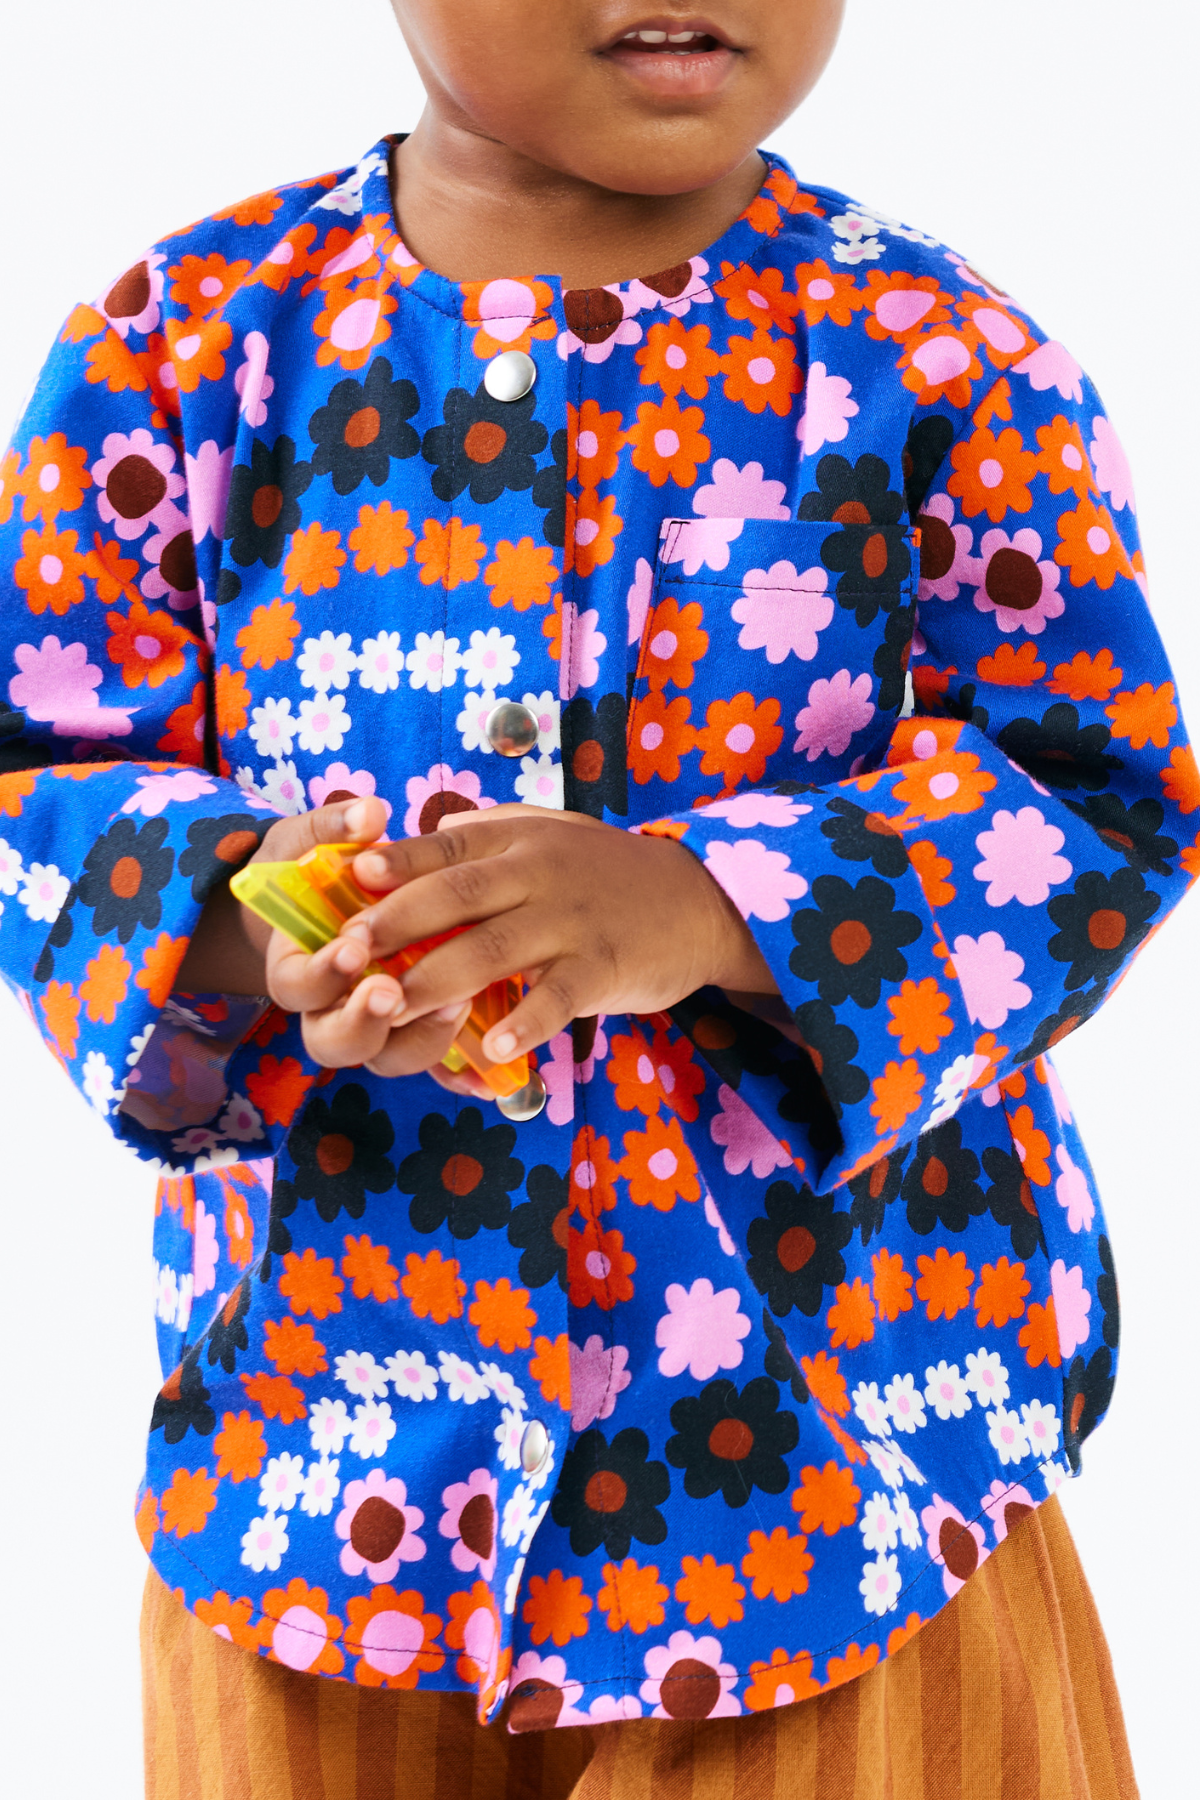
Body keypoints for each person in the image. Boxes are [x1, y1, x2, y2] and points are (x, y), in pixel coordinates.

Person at [0, 2, 1191, 1793]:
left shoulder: (940, 355)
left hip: (842, 1484)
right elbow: (37, 765)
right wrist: (255, 913)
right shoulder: (179, 344)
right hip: (325, 1477)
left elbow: (1095, 797)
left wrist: (713, 907)